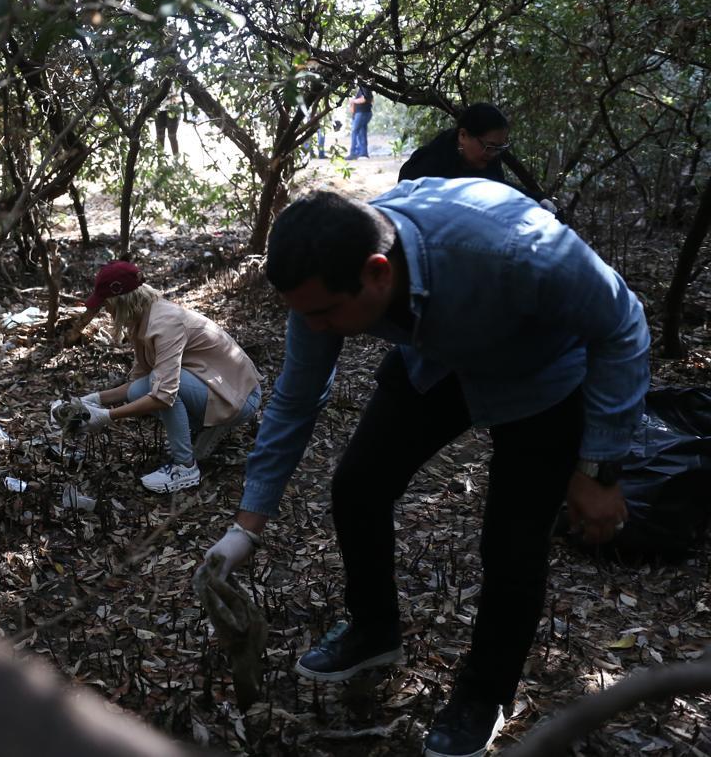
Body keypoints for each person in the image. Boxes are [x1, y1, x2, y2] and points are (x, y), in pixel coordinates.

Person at [203, 183, 649, 757]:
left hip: (541, 377)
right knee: (358, 486)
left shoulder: (513, 250)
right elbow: (295, 398)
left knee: (511, 545)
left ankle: (484, 694)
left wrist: (598, 468)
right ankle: (373, 631)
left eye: (324, 313)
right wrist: (246, 527)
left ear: (378, 272)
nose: (314, 328)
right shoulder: (325, 283)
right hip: (437, 363)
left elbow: (623, 325)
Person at [72, 261, 262, 493]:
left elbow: (163, 395)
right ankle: (206, 426)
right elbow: (137, 383)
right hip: (221, 389)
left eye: (105, 305)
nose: (107, 312)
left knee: (162, 386)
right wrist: (92, 400)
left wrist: (107, 417)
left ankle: (185, 468)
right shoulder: (143, 319)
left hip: (242, 397)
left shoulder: (165, 323)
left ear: (119, 302)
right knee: (139, 390)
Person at [399, 103, 552, 207]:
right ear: (463, 136)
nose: (492, 154)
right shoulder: (427, 166)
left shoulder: (489, 157)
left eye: (499, 148)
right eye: (489, 146)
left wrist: (537, 200)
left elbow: (497, 187)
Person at [349, 84, 373, 158]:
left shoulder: (365, 87)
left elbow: (364, 99)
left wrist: (353, 101)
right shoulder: (360, 88)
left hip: (363, 113)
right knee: (361, 132)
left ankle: (353, 153)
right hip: (360, 113)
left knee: (355, 131)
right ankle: (363, 152)